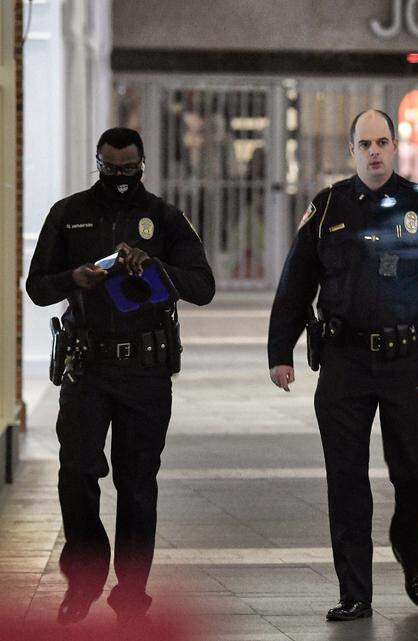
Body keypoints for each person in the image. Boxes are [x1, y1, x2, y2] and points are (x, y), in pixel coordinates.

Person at [267, 109, 418, 621]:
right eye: (366, 145)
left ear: (396, 146)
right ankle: (355, 592)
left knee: (416, 474)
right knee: (345, 479)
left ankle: (411, 552)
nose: (376, 152)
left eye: (383, 142)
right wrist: (280, 351)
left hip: (406, 361)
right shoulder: (327, 207)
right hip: (344, 361)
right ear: (352, 151)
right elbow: (296, 283)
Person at [25, 127, 216, 623]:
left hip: (145, 373)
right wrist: (75, 277)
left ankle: (132, 592)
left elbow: (203, 286)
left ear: (143, 165)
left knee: (136, 485)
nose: (120, 179)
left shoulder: (166, 219)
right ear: (98, 165)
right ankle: (84, 580)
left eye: (129, 171)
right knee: (77, 475)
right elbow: (37, 287)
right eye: (110, 170)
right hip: (87, 369)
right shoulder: (69, 215)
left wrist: (155, 267)